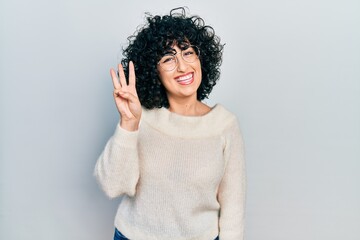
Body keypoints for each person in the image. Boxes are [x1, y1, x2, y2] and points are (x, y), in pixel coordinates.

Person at [94, 7, 246, 240]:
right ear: (154, 71)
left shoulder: (224, 125)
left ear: (201, 57)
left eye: (187, 53)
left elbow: (233, 210)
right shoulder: (140, 116)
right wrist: (128, 124)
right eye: (168, 58)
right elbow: (113, 186)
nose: (183, 66)